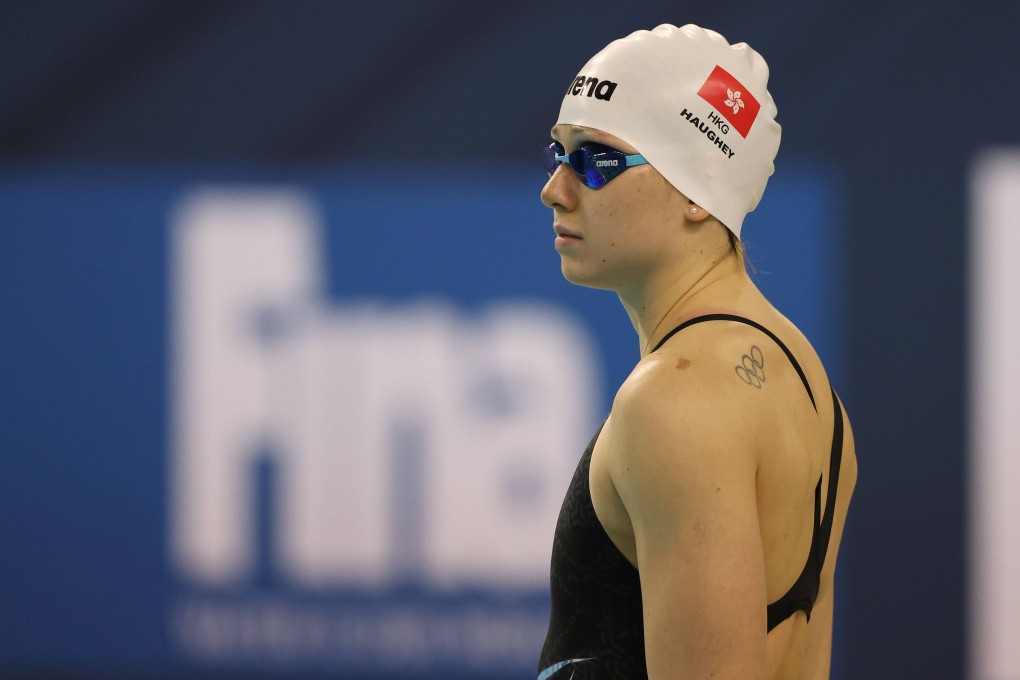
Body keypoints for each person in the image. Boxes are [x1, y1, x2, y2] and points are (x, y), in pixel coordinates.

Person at [536, 24, 857, 680]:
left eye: (596, 160)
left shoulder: (675, 398)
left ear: (695, 192)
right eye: (558, 154)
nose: (556, 190)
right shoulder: (809, 387)